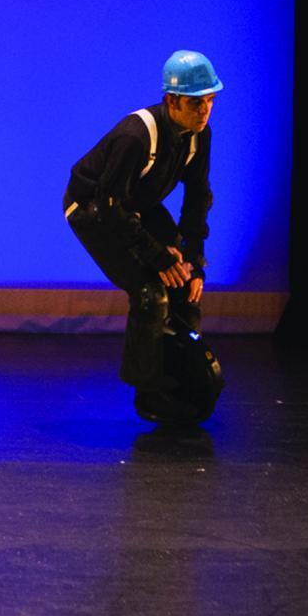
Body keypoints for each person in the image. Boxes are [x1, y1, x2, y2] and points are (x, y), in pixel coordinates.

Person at [65, 50, 220, 423]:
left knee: (185, 280)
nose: (204, 111)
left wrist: (194, 260)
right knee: (150, 292)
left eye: (210, 101)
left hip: (136, 206)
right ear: (171, 100)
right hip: (93, 210)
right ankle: (148, 393)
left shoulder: (199, 136)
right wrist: (156, 255)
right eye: (195, 103)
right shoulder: (136, 136)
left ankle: (180, 372)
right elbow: (109, 207)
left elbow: (197, 200)